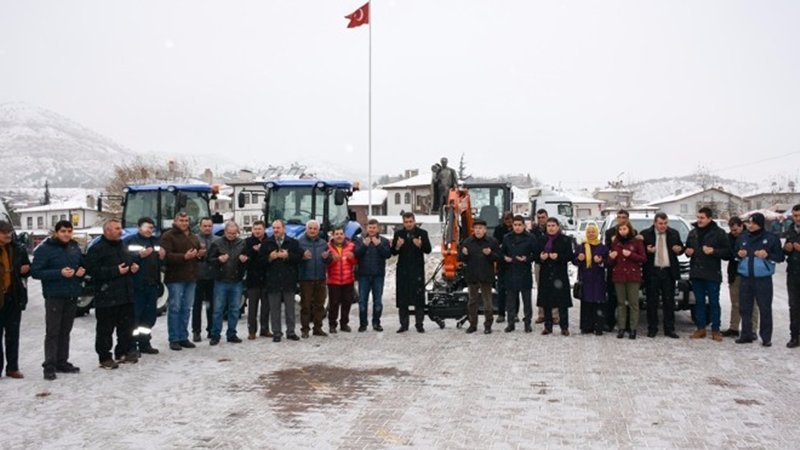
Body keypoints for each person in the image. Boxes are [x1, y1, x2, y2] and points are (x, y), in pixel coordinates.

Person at [31, 220, 83, 380]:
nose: (66, 234)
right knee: (53, 331)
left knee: (65, 331)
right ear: (56, 232)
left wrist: (81, 271)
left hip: (71, 294)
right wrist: (58, 273)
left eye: (69, 231)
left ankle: (62, 361)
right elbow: (36, 272)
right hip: (54, 296)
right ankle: (49, 365)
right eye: (63, 231)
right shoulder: (45, 249)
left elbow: (81, 264)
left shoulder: (74, 248)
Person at [85, 219, 138, 369]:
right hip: (107, 295)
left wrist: (133, 267)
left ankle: (122, 352)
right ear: (107, 231)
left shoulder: (122, 245)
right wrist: (115, 271)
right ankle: (104, 357)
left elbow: (127, 263)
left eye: (120, 228)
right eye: (116, 229)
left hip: (125, 294)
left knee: (126, 327)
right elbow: (92, 271)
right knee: (105, 330)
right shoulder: (97, 249)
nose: (120, 231)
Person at [734, 213, 784, 346]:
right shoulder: (742, 238)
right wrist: (739, 255)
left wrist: (767, 255)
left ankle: (766, 337)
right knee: (745, 308)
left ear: (760, 224)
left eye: (753, 223)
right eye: (749, 223)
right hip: (745, 277)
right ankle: (746, 334)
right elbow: (734, 254)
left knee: (765, 308)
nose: (750, 225)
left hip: (763, 279)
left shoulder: (771, 238)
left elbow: (780, 257)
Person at [685, 207, 732, 341]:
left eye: (702, 218)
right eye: (698, 217)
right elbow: (688, 248)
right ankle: (700, 329)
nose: (699, 220)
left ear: (709, 218)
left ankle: (715, 329)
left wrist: (714, 251)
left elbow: (728, 253)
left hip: (712, 273)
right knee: (698, 302)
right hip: (696, 273)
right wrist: (687, 252)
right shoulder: (693, 232)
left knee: (713, 302)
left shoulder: (719, 233)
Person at [123, 217, 165, 355]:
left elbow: (159, 260)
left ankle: (144, 343)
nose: (149, 230)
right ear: (139, 227)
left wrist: (162, 256)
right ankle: (132, 345)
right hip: (137, 286)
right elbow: (124, 259)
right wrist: (139, 256)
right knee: (135, 317)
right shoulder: (130, 241)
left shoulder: (155, 241)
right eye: (147, 227)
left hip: (152, 284)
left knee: (149, 317)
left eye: (152, 228)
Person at [161, 212, 202, 351]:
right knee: (175, 308)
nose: (184, 223)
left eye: (186, 220)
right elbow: (166, 256)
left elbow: (197, 253)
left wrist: (200, 254)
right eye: (181, 220)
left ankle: (183, 336)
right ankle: (174, 338)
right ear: (175, 221)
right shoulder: (168, 236)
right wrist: (184, 257)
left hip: (191, 277)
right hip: (175, 278)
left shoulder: (192, 236)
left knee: (186, 308)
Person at [639, 213, 684, 338]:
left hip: (668, 272)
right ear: (655, 223)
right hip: (652, 271)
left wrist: (679, 249)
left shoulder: (674, 233)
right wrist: (646, 250)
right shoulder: (645, 234)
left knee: (669, 302)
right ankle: (652, 328)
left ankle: (669, 329)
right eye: (660, 223)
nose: (663, 226)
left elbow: (680, 248)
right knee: (651, 302)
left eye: (665, 223)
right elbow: (638, 251)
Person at [208, 221, 247, 345]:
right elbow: (209, 260)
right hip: (221, 280)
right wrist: (218, 259)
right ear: (225, 232)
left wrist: (245, 259)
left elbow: (247, 257)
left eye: (234, 233)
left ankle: (232, 333)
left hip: (237, 280)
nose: (232, 235)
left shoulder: (242, 243)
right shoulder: (217, 243)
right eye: (229, 233)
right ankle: (215, 335)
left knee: (234, 309)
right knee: (218, 309)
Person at [392, 212, 432, 333]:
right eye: (406, 222)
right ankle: (404, 324)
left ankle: (419, 324)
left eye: (410, 221)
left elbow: (428, 250)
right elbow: (393, 252)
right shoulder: (398, 234)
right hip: (403, 270)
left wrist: (420, 245)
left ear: (414, 221)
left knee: (418, 298)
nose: (408, 224)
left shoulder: (422, 233)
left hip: (417, 270)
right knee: (403, 298)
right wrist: (397, 246)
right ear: (403, 222)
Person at [263, 220, 302, 342]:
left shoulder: (293, 243)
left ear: (283, 228)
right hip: (273, 281)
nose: (275, 230)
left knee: (290, 309)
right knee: (275, 310)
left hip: (288, 280)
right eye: (274, 228)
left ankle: (290, 332)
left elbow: (299, 258)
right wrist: (270, 257)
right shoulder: (266, 243)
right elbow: (260, 261)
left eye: (278, 228)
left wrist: (288, 256)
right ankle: (276, 333)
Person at [459, 219, 501, 334]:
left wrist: (490, 254)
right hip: (472, 275)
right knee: (472, 302)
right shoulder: (467, 241)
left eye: (480, 228)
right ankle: (473, 324)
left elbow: (499, 257)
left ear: (485, 230)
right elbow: (459, 257)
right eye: (476, 228)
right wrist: (464, 254)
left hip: (486, 276)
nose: (478, 230)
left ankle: (488, 325)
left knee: (487, 303)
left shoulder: (492, 241)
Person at [0, 221, 30, 379]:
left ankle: (12, 367)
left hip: (13, 296)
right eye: (3, 232)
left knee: (13, 334)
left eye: (9, 232)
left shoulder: (18, 249)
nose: (7, 235)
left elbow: (26, 268)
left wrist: (25, 270)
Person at [608, 222, 646, 339]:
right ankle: (621, 328)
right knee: (621, 303)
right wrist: (611, 257)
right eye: (620, 229)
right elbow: (610, 263)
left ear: (629, 229)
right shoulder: (615, 242)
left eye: (624, 229)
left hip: (633, 276)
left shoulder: (637, 242)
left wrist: (631, 254)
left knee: (633, 303)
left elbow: (643, 259)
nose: (622, 231)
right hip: (619, 276)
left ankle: (633, 328)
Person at [537, 218, 574, 336]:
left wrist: (558, 256)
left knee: (562, 302)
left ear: (558, 227)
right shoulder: (542, 239)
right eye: (549, 226)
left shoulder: (565, 239)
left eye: (553, 225)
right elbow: (535, 255)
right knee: (547, 301)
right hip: (546, 273)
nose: (551, 228)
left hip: (560, 274)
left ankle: (564, 327)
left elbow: (570, 256)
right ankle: (548, 326)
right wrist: (541, 258)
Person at [722, 217, 757, 337]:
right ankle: (734, 327)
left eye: (736, 230)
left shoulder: (752, 236)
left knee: (751, 302)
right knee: (735, 302)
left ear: (742, 226)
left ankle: (752, 330)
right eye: (732, 230)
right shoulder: (729, 238)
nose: (734, 232)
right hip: (734, 272)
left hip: (750, 272)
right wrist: (734, 254)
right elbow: (726, 254)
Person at [354, 219, 391, 332]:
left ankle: (376, 323)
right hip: (363, 275)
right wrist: (364, 246)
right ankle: (363, 324)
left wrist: (379, 245)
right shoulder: (360, 240)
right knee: (362, 302)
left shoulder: (383, 241)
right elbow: (356, 254)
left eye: (374, 228)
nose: (372, 230)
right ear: (367, 228)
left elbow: (387, 254)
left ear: (378, 229)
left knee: (378, 302)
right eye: (370, 227)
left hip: (378, 275)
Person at [502, 215, 537, 333]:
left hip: (524, 272)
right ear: (512, 226)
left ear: (524, 225)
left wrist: (527, 258)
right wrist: (505, 258)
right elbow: (502, 253)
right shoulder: (507, 237)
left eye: (519, 225)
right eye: (515, 225)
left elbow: (535, 254)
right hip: (510, 271)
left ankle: (527, 323)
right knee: (511, 301)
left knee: (527, 300)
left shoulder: (530, 237)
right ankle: (510, 323)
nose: (517, 227)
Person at [603, 209, 636, 332]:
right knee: (611, 296)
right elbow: (606, 250)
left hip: (629, 269)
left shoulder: (633, 232)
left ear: (628, 218)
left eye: (624, 217)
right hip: (614, 268)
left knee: (627, 299)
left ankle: (627, 324)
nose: (621, 219)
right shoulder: (610, 232)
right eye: (619, 217)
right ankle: (609, 322)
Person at [572, 223, 608, 335]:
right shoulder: (581, 246)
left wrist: (601, 261)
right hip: (586, 278)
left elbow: (609, 262)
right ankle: (586, 326)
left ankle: (599, 326)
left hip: (598, 279)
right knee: (586, 302)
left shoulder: (602, 247)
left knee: (598, 302)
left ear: (597, 233)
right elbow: (574, 261)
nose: (591, 234)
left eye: (593, 232)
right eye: (589, 232)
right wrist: (579, 259)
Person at [297, 220, 329, 338]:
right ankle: (305, 329)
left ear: (318, 230)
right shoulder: (299, 242)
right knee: (305, 305)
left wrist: (327, 258)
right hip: (306, 278)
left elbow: (328, 261)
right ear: (306, 229)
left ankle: (317, 328)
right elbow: (295, 259)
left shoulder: (323, 243)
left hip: (320, 278)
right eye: (310, 228)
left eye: (315, 229)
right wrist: (302, 257)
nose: (312, 231)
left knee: (319, 305)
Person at [326, 227, 357, 333]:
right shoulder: (328, 247)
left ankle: (344, 323)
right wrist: (332, 261)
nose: (339, 236)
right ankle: (332, 324)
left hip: (348, 280)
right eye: (337, 234)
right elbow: (325, 263)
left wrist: (352, 258)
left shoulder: (351, 246)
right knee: (333, 304)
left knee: (347, 303)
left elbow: (357, 262)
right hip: (333, 280)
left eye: (341, 234)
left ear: (344, 235)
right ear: (333, 235)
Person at [244, 220, 270, 340]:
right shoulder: (248, 242)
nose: (257, 231)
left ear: (264, 229)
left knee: (265, 307)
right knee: (252, 308)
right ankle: (252, 331)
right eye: (255, 229)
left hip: (266, 279)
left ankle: (264, 329)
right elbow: (246, 258)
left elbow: (270, 258)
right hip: (253, 279)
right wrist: (253, 252)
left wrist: (262, 250)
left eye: (259, 229)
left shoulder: (269, 241)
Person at [532, 209, 558, 325]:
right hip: (540, 263)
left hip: (554, 263)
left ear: (547, 216)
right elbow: (533, 248)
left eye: (543, 217)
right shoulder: (534, 231)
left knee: (555, 288)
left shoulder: (555, 230)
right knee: (541, 288)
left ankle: (554, 315)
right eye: (539, 218)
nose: (541, 220)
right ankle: (541, 314)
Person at [192, 217, 214, 342]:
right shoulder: (194, 239)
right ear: (200, 226)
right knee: (197, 306)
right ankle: (196, 331)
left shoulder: (217, 240)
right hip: (197, 276)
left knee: (212, 305)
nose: (207, 228)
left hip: (212, 277)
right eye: (205, 226)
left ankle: (211, 330)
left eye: (209, 226)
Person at [493, 212, 514, 323]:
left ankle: (514, 314)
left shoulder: (516, 230)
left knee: (515, 290)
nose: (508, 221)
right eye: (506, 219)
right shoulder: (498, 230)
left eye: (510, 219)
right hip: (502, 263)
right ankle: (501, 313)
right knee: (501, 290)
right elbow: (495, 246)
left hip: (514, 264)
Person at [784, 204, 800, 348]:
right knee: (794, 306)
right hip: (793, 272)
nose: (797, 219)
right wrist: (787, 249)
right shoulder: (790, 229)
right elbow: (786, 250)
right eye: (795, 216)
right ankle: (795, 336)